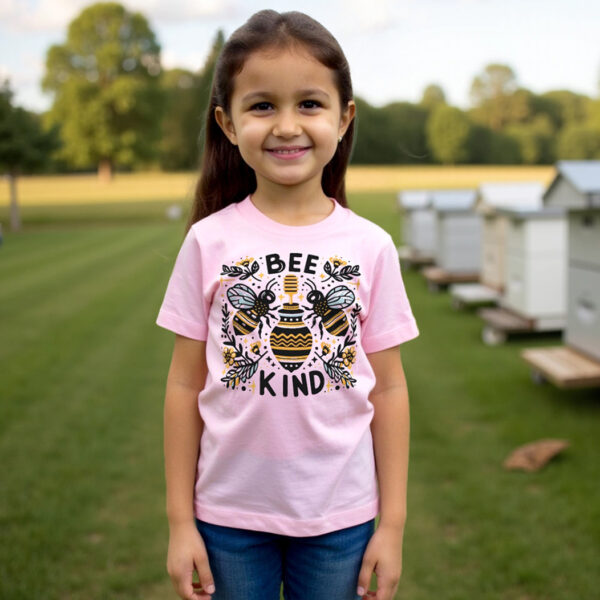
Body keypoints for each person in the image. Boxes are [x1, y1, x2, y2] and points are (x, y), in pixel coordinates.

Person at [156, 9, 419, 600]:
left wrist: (393, 525)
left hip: (341, 520)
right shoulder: (208, 241)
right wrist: (180, 522)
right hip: (226, 517)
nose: (286, 126)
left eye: (309, 103)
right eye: (262, 106)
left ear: (344, 117)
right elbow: (182, 387)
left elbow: (390, 390)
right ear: (227, 122)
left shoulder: (370, 246)